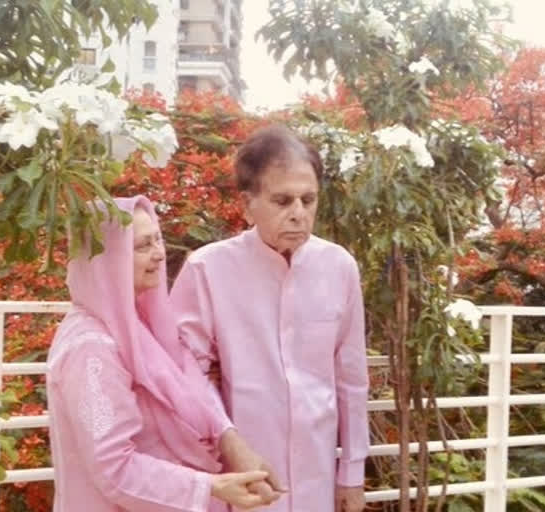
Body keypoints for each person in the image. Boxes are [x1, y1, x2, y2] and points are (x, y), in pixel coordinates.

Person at [170, 125, 370, 512]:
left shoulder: (339, 267)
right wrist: (229, 441)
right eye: (282, 201)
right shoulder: (208, 269)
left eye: (308, 200)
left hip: (319, 476)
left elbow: (351, 378)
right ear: (248, 205)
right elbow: (184, 373)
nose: (299, 214)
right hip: (240, 474)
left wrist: (352, 473)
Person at [47, 195, 282, 512]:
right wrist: (210, 486)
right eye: (143, 246)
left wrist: (232, 445)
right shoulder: (91, 347)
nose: (159, 255)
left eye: (158, 240)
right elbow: (113, 469)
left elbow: (194, 387)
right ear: (107, 258)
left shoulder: (145, 330)